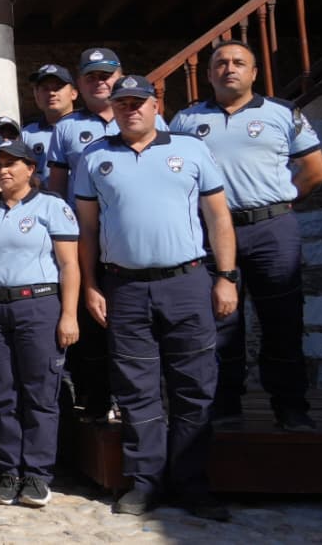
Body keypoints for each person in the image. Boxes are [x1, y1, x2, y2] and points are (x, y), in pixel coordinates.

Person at [74, 75, 238, 520]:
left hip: (186, 282)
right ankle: (145, 482)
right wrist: (90, 285)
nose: (131, 109)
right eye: (122, 102)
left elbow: (219, 218)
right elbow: (86, 229)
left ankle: (191, 483)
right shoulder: (94, 156)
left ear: (154, 105)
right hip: (124, 287)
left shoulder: (190, 149)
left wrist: (226, 277)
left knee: (193, 387)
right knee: (135, 389)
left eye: (138, 102)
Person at [170, 40, 322, 431]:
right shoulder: (187, 121)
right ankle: (225, 407)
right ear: (208, 74)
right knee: (220, 321)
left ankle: (290, 407)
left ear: (254, 72)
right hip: (210, 233)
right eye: (220, 63)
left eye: (239, 62)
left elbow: (315, 170)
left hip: (271, 230)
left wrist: (279, 202)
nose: (229, 69)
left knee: (282, 320)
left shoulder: (282, 113)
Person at [45, 46, 165, 421]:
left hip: (134, 239)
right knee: (92, 324)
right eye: (91, 76)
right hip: (85, 239)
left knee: (135, 323)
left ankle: (138, 402)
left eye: (106, 75)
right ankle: (96, 403)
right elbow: (56, 189)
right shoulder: (65, 128)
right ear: (79, 84)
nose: (100, 81)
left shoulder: (145, 118)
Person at [0, 139, 79, 508]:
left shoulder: (51, 207)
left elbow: (69, 264)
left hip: (37, 306)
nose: (4, 169)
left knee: (39, 392)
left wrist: (69, 313)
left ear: (31, 168)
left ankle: (37, 473)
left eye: (13, 163)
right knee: (2, 393)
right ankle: (8, 469)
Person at [23, 64, 77, 191]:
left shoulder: (88, 129)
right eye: (45, 89)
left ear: (73, 93)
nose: (52, 93)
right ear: (36, 95)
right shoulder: (25, 134)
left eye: (58, 88)